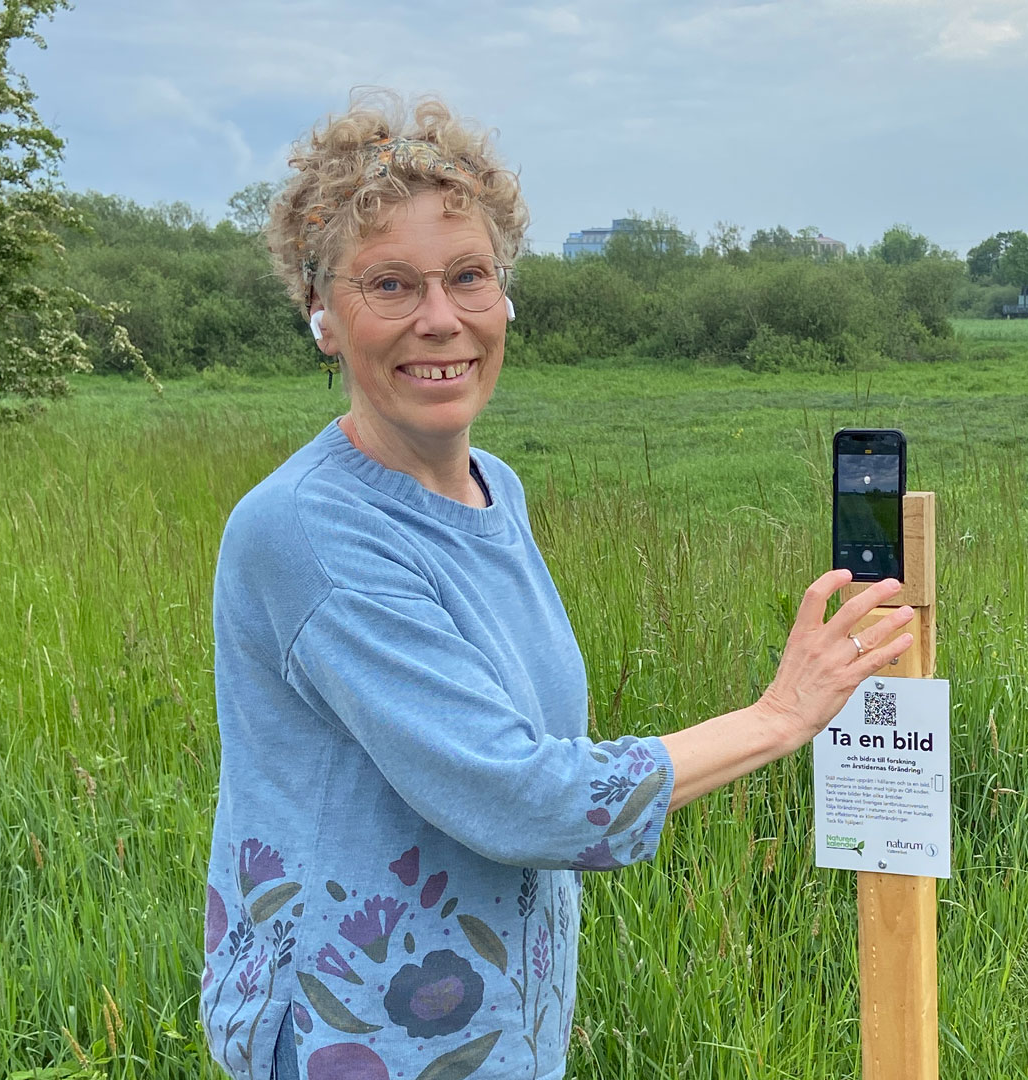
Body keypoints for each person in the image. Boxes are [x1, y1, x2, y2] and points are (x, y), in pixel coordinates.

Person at [200, 90, 914, 1080]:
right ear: (323, 317)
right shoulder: (307, 531)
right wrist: (780, 716)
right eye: (391, 286)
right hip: (356, 1038)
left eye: (468, 278)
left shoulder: (498, 491)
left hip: (491, 1027)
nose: (441, 320)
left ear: (506, 297)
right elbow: (526, 798)